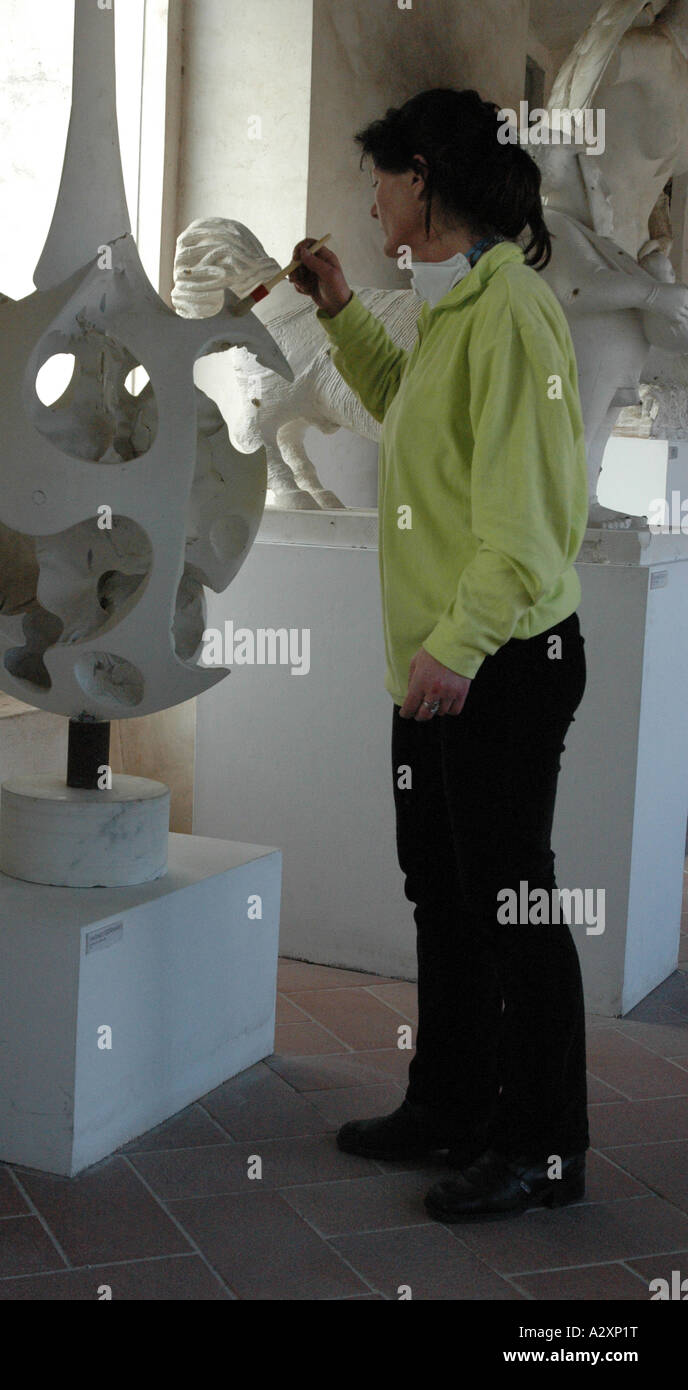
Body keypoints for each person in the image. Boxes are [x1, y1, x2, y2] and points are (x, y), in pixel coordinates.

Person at [290, 88, 590, 1223]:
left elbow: (528, 524)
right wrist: (336, 313)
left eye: (378, 180)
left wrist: (456, 650)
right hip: (444, 669)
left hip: (496, 663)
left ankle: (543, 1147)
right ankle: (451, 1107)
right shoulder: (455, 307)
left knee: (509, 903)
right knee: (447, 897)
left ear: (421, 178)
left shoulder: (511, 314)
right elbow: (406, 409)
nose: (368, 204)